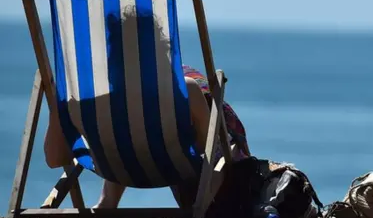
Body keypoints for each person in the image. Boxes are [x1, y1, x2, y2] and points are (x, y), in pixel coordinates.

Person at [44, 64, 250, 210]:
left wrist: (57, 106)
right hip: (184, 168)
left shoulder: (86, 100)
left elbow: (54, 159)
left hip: (122, 164)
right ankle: (200, 208)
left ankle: (107, 202)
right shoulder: (186, 89)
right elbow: (206, 151)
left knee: (127, 132)